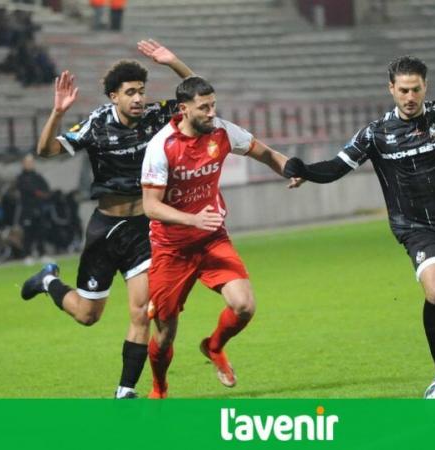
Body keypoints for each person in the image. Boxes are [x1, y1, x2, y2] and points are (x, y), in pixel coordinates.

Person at [283, 56, 435, 397]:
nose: (409, 96)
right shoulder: (376, 134)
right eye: (403, 90)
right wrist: (304, 169)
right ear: (391, 89)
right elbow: (336, 166)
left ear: (425, 87)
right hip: (417, 228)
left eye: (415, 89)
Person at [20, 40, 194, 399]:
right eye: (130, 92)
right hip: (105, 228)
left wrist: (173, 62)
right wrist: (57, 112)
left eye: (141, 91)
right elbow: (46, 150)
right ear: (114, 96)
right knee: (87, 315)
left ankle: (125, 390)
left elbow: (198, 96)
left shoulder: (156, 116)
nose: (138, 99)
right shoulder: (97, 124)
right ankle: (48, 280)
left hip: (143, 229)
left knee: (141, 312)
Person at [140, 76, 302, 398]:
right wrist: (192, 219)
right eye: (204, 108)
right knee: (166, 333)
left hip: (212, 239)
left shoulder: (223, 132)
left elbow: (265, 153)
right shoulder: (161, 146)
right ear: (183, 109)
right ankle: (159, 389)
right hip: (171, 249)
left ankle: (214, 347)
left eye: (213, 105)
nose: (211, 112)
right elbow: (150, 207)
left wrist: (289, 169)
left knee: (244, 306)